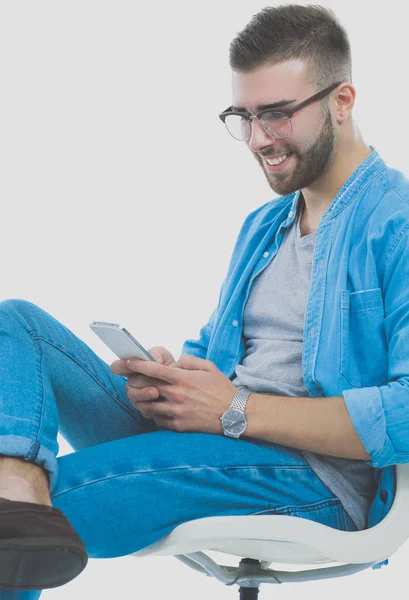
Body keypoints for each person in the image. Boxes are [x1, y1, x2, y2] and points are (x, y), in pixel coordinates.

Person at [0, 3, 407, 597]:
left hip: (313, 478)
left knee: (25, 527)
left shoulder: (394, 225)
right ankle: (14, 481)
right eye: (243, 116)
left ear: (342, 102)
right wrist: (171, 380)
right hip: (222, 440)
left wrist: (234, 410)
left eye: (277, 114)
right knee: (17, 325)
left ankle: (19, 501)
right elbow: (218, 361)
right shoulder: (263, 227)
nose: (259, 139)